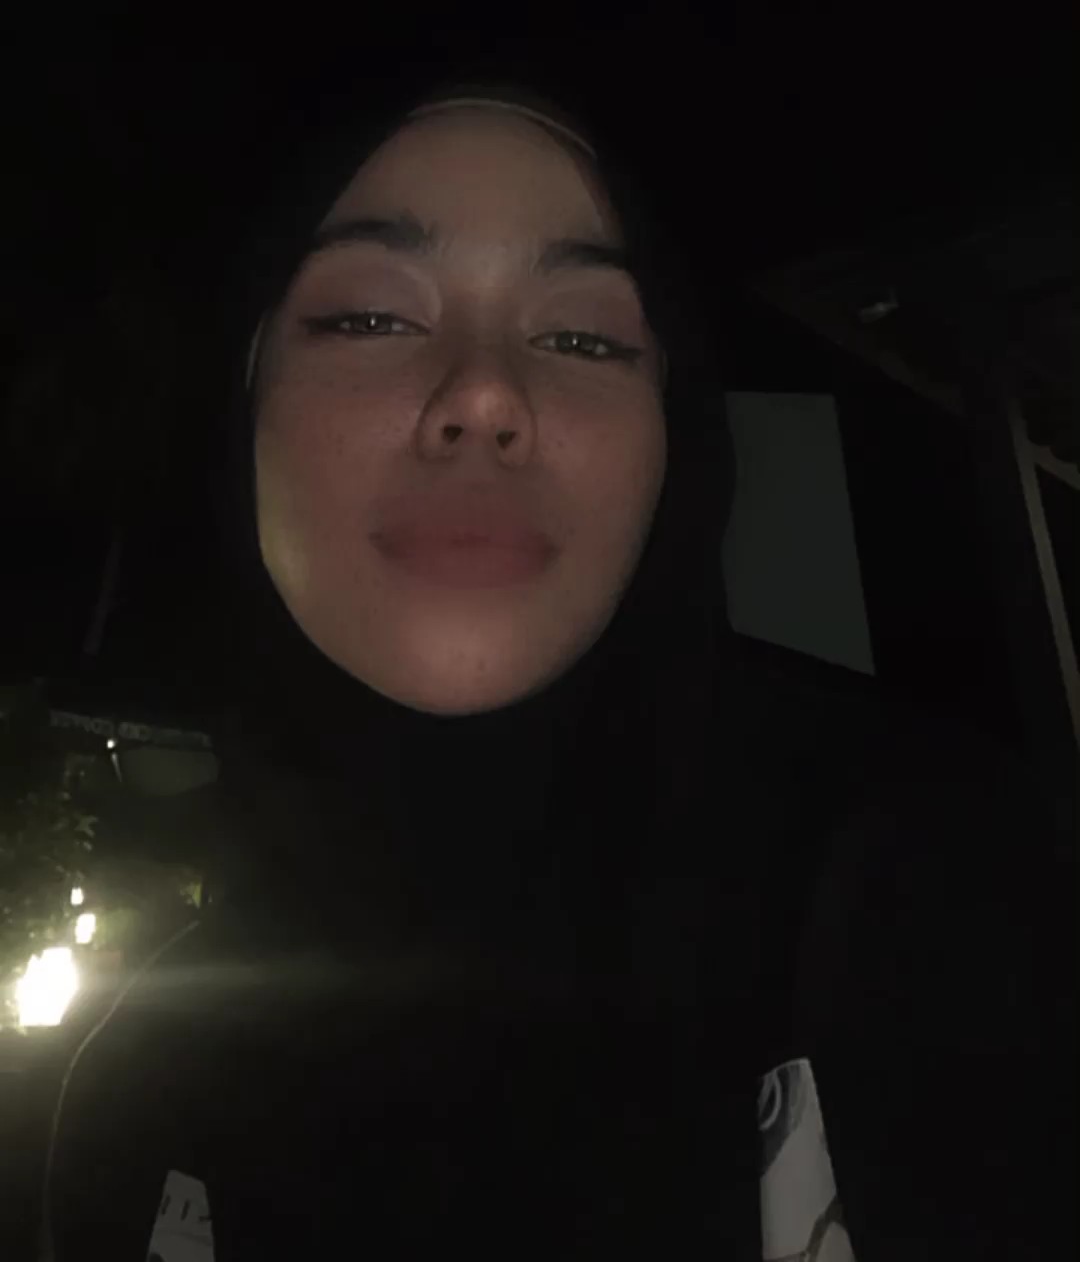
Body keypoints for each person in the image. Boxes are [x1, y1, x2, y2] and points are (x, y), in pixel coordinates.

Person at [39, 74, 1075, 1259]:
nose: (485, 396)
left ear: (677, 444)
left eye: (584, 337)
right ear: (242, 405)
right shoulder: (133, 1101)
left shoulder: (944, 892)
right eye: (371, 317)